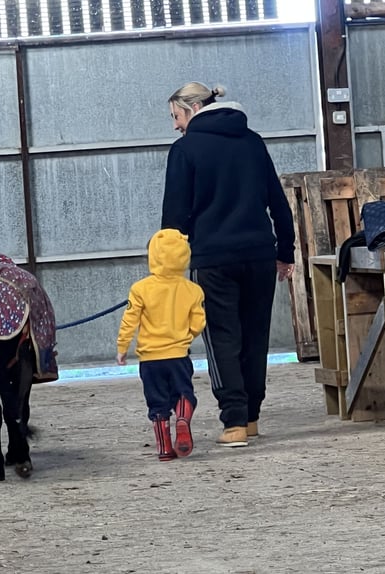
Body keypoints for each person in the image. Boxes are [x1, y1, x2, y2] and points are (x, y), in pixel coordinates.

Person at [161, 81, 295, 448]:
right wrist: (286, 251)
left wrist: (167, 269)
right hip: (259, 255)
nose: (175, 125)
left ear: (191, 110)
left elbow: (174, 217)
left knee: (223, 338)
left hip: (213, 259)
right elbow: (277, 202)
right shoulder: (252, 141)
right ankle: (251, 418)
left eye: (175, 116)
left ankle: (233, 421)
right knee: (255, 336)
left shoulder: (185, 149)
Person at [116, 229, 206, 461]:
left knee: (157, 403)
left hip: (150, 358)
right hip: (178, 355)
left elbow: (130, 320)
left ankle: (165, 449)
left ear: (153, 257)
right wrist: (185, 337)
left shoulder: (140, 289)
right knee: (184, 393)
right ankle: (183, 418)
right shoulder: (193, 290)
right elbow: (199, 322)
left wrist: (122, 346)